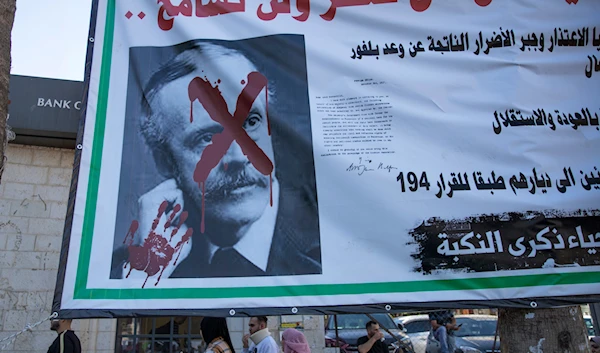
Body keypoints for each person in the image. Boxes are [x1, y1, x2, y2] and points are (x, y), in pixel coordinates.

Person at [111, 40, 321, 279]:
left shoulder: (330, 243)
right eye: (207, 138)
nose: (240, 156)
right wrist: (146, 272)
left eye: (251, 123)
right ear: (165, 162)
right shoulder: (129, 268)